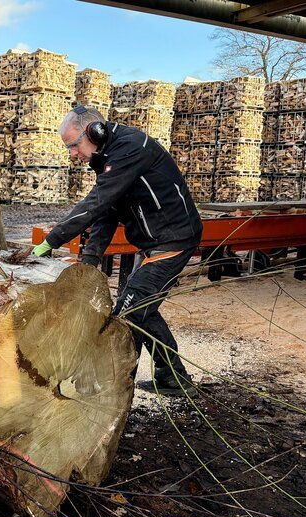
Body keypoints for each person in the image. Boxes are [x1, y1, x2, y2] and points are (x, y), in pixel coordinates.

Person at [33, 106, 203, 396]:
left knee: (130, 313)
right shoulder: (109, 155)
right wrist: (89, 260)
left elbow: (96, 202)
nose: (73, 154)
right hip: (153, 241)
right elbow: (107, 212)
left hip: (173, 239)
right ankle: (173, 376)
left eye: (74, 145)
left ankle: (113, 389)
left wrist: (53, 239)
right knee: (141, 305)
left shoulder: (130, 148)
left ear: (94, 132)